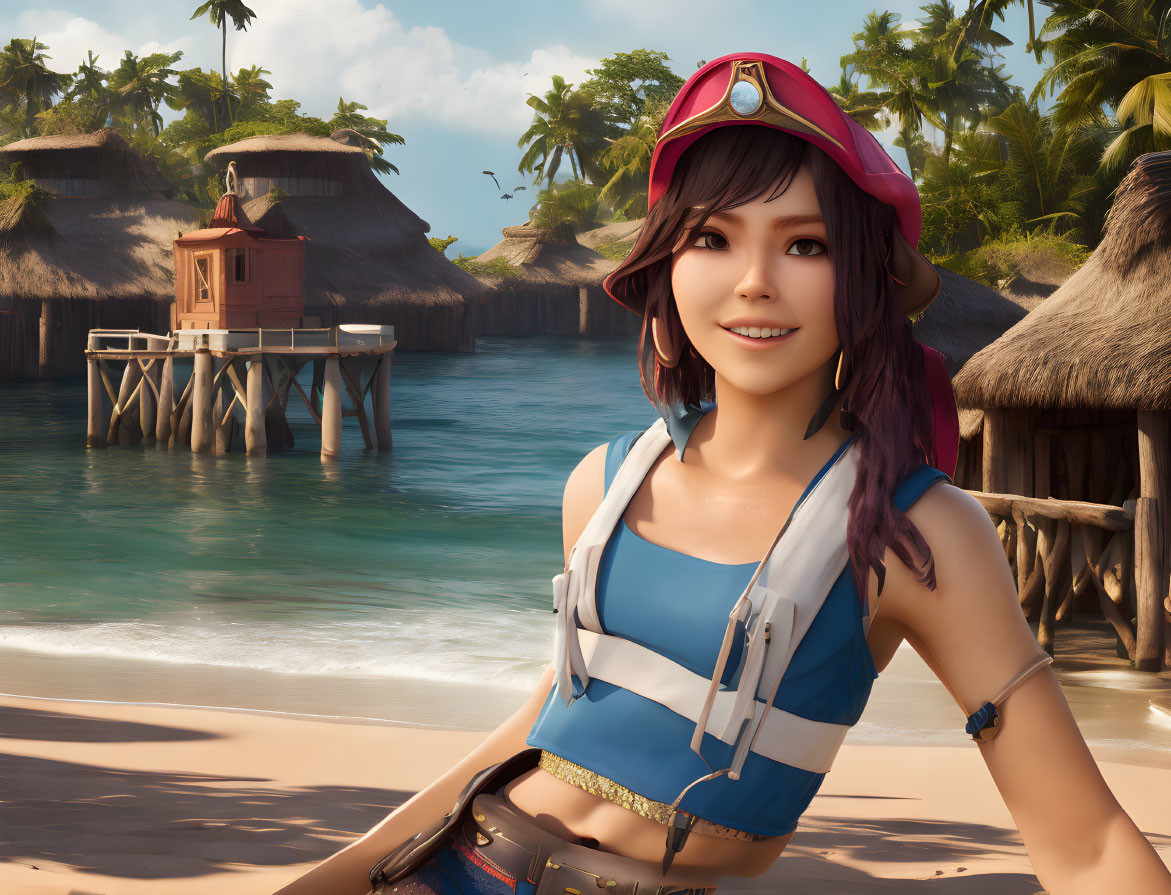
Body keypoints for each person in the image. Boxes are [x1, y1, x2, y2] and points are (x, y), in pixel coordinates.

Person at [274, 52, 1171, 895]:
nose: (752, 282)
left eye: (805, 245)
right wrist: (340, 874)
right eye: (712, 237)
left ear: (864, 277)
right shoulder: (603, 481)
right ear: (668, 262)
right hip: (461, 864)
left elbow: (1084, 841)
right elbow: (543, 729)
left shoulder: (912, 533)